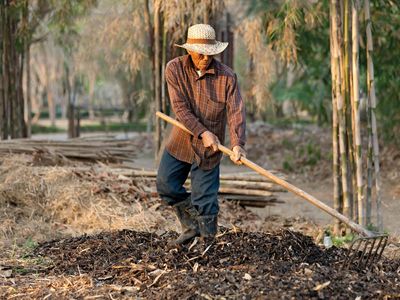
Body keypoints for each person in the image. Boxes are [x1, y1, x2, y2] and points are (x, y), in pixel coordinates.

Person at [156, 24, 246, 248]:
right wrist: (203, 131)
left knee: (205, 200)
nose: (205, 58)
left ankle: (208, 245)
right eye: (200, 53)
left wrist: (237, 144)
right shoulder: (174, 69)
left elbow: (236, 112)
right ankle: (191, 226)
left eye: (210, 54)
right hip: (181, 142)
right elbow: (180, 108)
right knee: (166, 185)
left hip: (209, 148)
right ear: (189, 50)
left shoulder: (227, 77)